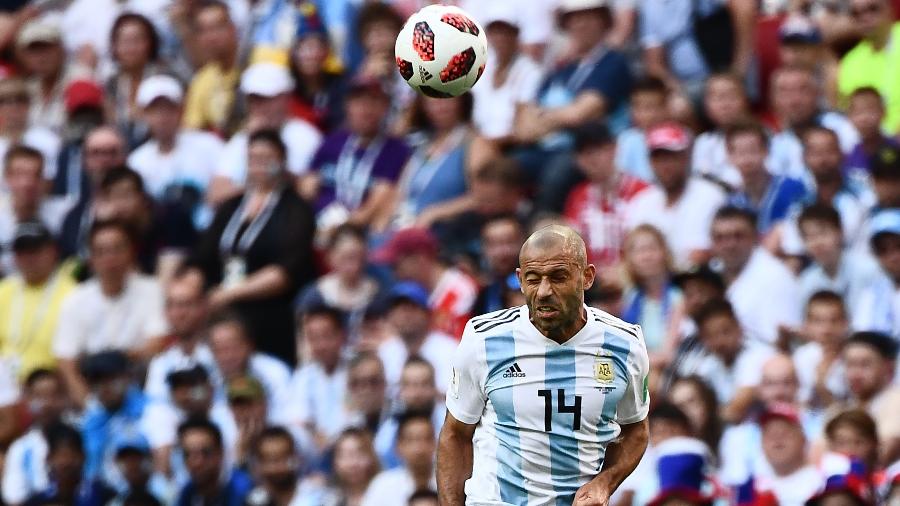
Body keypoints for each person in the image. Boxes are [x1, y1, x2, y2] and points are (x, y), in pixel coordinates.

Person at [438, 225, 650, 505]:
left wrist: (605, 483)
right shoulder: (483, 340)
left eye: (559, 277)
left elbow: (636, 430)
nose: (544, 291)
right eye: (533, 279)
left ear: (587, 277)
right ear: (520, 280)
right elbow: (455, 434)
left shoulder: (626, 344)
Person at [192, 130, 316, 366]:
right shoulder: (232, 206)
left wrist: (230, 293)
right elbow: (204, 255)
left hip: (268, 309)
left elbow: (285, 272)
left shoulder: (294, 209)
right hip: (224, 304)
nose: (259, 165)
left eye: (266, 158)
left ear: (281, 162)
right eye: (253, 159)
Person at [514, 0, 633, 213]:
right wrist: (557, 118)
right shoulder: (560, 69)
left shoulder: (613, 62)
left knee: (557, 174)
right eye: (574, 19)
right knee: (505, 169)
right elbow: (524, 125)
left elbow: (581, 114)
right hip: (546, 148)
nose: (580, 24)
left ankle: (543, 236)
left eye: (588, 17)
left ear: (603, 22)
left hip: (587, 149)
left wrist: (544, 118)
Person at [53, 219, 168, 406]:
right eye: (102, 252)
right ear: (91, 258)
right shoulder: (75, 300)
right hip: (92, 387)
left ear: (131, 252)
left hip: (141, 385)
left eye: (117, 249)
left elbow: (158, 344)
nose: (110, 258)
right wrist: (91, 408)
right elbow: (66, 362)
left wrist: (116, 359)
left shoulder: (153, 290)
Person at [300, 76, 409, 234]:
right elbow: (307, 187)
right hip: (318, 224)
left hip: (360, 233)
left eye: (374, 101)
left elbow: (377, 203)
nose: (366, 109)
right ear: (347, 105)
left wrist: (339, 227)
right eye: (358, 101)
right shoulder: (331, 142)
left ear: (385, 107)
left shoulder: (395, 150)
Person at [211, 63, 322, 205]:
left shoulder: (306, 137)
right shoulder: (242, 138)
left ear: (286, 98)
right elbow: (216, 194)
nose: (258, 106)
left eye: (266, 99)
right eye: (253, 99)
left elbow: (303, 189)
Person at [127, 74, 224, 229]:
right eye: (155, 110)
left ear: (181, 111)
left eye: (169, 109)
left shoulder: (209, 145)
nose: (162, 117)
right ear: (143, 114)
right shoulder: (137, 161)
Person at [626, 122, 727, 268]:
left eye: (671, 157)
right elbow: (633, 256)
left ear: (686, 157)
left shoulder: (711, 196)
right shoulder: (642, 202)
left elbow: (700, 256)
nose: (665, 165)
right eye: (658, 158)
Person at [378, 94, 475, 232]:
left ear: (461, 101)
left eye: (448, 98)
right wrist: (381, 224)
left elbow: (483, 197)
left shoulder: (474, 144)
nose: (441, 105)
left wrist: (436, 213)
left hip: (443, 235)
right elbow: (399, 193)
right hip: (403, 227)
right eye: (434, 100)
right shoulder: (420, 145)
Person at [564, 123, 651, 272]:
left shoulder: (642, 192)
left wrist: (623, 271)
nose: (592, 159)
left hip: (634, 277)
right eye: (584, 153)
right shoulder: (578, 195)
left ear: (614, 149)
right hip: (591, 283)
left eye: (598, 150)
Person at [710, 205, 802, 344]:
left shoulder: (775, 277)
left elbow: (777, 343)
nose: (729, 244)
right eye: (720, 238)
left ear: (754, 237)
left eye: (738, 236)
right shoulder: (711, 273)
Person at [371, 228, 478, 339]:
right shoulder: (418, 293)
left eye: (396, 266)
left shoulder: (459, 289)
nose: (395, 274)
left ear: (419, 258)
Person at [0, 221, 75, 380]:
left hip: (52, 385)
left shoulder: (72, 294)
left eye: (35, 251)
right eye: (22, 252)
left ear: (53, 251)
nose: (29, 258)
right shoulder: (3, 291)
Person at [95, 166, 198, 278]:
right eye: (114, 197)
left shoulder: (172, 218)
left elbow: (166, 279)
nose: (121, 204)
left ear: (142, 196)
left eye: (126, 195)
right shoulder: (116, 227)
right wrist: (106, 226)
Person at [796, 203, 887, 325]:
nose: (817, 243)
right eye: (809, 237)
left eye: (822, 233)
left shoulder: (868, 269)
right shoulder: (807, 281)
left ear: (840, 232)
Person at [768, 66, 859, 183]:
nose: (794, 101)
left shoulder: (843, 128)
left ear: (818, 93)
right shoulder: (776, 145)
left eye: (802, 90)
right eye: (785, 92)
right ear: (773, 100)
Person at [469, 5, 543, 145]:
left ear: (515, 35)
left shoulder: (530, 71)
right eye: (495, 32)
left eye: (505, 32)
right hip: (477, 144)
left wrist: (486, 144)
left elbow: (522, 125)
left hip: (509, 148)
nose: (500, 38)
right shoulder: (482, 68)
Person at [77, 351, 151, 487]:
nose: (104, 387)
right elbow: (90, 472)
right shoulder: (90, 422)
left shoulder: (151, 411)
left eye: (111, 379)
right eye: (97, 381)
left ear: (128, 377)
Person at [144, 268, 218, 402]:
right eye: (171, 306)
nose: (179, 314)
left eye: (186, 305)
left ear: (204, 307)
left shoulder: (223, 355)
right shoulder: (159, 364)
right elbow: (155, 413)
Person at [283, 304, 349, 453]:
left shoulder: (357, 367)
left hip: (351, 445)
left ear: (341, 335)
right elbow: (297, 418)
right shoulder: (303, 376)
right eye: (314, 338)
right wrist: (314, 434)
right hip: (317, 451)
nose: (321, 345)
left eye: (327, 336)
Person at [620, 225, 683, 379]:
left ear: (664, 253)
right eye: (639, 251)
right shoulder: (630, 297)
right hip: (638, 369)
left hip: (668, 372)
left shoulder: (677, 297)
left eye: (651, 249)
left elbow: (668, 355)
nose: (646, 256)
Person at [724, 122, 808, 236]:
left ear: (766, 151)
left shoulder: (791, 187)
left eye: (752, 150)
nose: (747, 159)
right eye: (740, 152)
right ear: (729, 156)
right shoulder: (733, 202)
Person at [0, 146, 71, 274]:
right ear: (7, 177)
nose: (28, 182)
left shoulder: (65, 214)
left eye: (36, 175)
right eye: (20, 174)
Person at [378, 282, 458, 395]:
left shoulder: (450, 349)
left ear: (427, 314)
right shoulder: (385, 351)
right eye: (398, 309)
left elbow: (456, 398)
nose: (405, 315)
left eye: (411, 308)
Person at [296, 224, 379, 333]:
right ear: (330, 257)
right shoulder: (313, 296)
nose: (355, 266)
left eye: (360, 258)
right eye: (347, 259)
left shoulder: (376, 294)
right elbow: (304, 342)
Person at [1, 369, 67, 505]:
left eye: (53, 395)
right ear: (27, 399)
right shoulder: (20, 448)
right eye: (39, 396)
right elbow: (14, 498)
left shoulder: (79, 435)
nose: (47, 404)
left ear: (64, 397)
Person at [105, 13, 168, 147]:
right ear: (114, 46)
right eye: (124, 41)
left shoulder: (165, 76)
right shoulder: (111, 83)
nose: (131, 48)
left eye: (137, 40)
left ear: (150, 43)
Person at [838, 0, 900, 135]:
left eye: (873, 9)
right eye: (856, 13)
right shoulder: (850, 62)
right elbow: (852, 114)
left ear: (890, 9)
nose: (864, 17)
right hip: (874, 144)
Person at [207, 312, 291, 410]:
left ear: (250, 345)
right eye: (219, 349)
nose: (228, 356)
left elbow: (286, 417)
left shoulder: (274, 372)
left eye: (233, 347)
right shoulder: (208, 377)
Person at [16, 18, 86, 133]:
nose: (41, 58)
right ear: (25, 57)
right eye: (34, 51)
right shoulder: (27, 88)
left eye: (46, 49)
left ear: (61, 50)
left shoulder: (80, 79)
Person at [181, 1, 240, 135]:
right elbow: (192, 133)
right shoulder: (201, 81)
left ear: (233, 29)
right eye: (204, 31)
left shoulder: (252, 65)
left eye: (217, 28)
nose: (211, 37)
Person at [375, 357, 445, 469]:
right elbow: (382, 456)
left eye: (424, 384)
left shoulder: (450, 421)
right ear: (401, 390)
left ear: (434, 388)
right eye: (411, 385)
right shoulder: (390, 428)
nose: (417, 393)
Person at [23, 422, 115, 506]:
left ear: (83, 457)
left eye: (72, 455)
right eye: (60, 455)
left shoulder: (103, 495)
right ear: (48, 459)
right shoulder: (37, 501)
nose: (66, 462)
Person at [842, 331, 900, 464]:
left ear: (888, 367)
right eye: (850, 364)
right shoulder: (841, 408)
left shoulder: (897, 401)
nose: (855, 374)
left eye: (864, 365)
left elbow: (883, 456)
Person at [692, 73, 754, 189]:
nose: (725, 104)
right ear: (706, 105)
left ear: (745, 100)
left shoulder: (764, 137)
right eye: (718, 98)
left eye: (731, 96)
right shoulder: (703, 142)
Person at [287, 10, 346, 132]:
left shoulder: (342, 85)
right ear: (293, 53)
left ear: (327, 52)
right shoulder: (285, 87)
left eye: (318, 47)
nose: (311, 54)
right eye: (305, 47)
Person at [753, 404, 822, 505]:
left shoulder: (824, 482)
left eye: (784, 432)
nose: (777, 439)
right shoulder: (751, 488)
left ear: (803, 439)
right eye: (770, 434)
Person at [362, 413, 437, 506]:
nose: (419, 448)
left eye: (426, 439)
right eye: (411, 440)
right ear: (398, 446)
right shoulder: (383, 486)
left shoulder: (452, 483)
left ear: (436, 443)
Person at [175, 417, 253, 506]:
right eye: (187, 454)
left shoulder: (243, 490)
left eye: (205, 453)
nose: (196, 463)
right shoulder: (187, 493)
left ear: (221, 453)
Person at [792, 291, 850, 408]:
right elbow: (800, 405)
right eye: (818, 321)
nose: (827, 329)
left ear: (846, 323)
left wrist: (821, 385)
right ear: (807, 324)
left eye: (834, 321)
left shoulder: (852, 357)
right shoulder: (801, 357)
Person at [0, 77, 61, 182]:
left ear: (29, 103)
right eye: (6, 101)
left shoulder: (49, 139)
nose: (14, 106)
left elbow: (51, 180)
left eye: (20, 99)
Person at [246, 426, 323, 506]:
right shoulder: (254, 501)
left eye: (283, 458)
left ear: (296, 458)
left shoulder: (316, 497)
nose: (276, 468)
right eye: (270, 460)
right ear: (258, 464)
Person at [615, 77, 669, 182]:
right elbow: (621, 176)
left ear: (665, 108)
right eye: (638, 107)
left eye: (650, 107)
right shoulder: (627, 139)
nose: (644, 115)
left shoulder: (681, 135)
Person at [473, 215, 525, 315]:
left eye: (509, 242)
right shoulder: (483, 294)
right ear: (483, 248)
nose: (502, 252)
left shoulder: (537, 286)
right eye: (494, 244)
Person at [845, 87, 899, 178]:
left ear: (883, 112)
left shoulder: (897, 149)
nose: (865, 118)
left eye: (871, 111)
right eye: (858, 112)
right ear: (849, 117)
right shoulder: (846, 155)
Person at [667, 377, 723, 460]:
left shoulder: (733, 439)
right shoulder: (668, 452)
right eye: (679, 407)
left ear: (707, 403)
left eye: (691, 402)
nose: (686, 411)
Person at [328, 428, 381, 506]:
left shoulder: (384, 493)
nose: (352, 464)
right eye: (345, 456)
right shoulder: (331, 499)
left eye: (359, 454)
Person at [345, 353, 390, 438]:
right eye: (357, 383)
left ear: (385, 384)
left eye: (373, 381)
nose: (366, 390)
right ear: (349, 387)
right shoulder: (346, 426)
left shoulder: (401, 421)